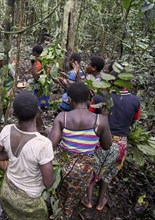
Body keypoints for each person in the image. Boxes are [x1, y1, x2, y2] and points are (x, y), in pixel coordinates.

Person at [48, 82, 112, 218]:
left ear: (70, 100)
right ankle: (67, 212)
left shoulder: (62, 117)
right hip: (84, 170)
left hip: (64, 167)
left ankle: (59, 212)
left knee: (60, 194)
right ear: (89, 98)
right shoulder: (100, 120)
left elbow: (51, 145)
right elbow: (107, 146)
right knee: (73, 197)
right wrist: (104, 117)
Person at [82, 70, 141, 210]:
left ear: (110, 81)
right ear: (128, 82)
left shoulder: (99, 97)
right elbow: (135, 119)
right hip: (120, 143)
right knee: (108, 173)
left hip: (98, 140)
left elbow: (90, 117)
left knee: (92, 169)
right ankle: (100, 201)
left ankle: (89, 200)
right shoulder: (135, 100)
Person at [0, 91, 55, 219]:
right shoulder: (43, 144)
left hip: (7, 189)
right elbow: (48, 183)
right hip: (28, 200)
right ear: (37, 112)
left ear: (14, 114)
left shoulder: (7, 129)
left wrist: (12, 155)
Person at [0, 52, 16, 123]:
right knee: (0, 103)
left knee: (6, 104)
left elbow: (16, 78)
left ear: (2, 61)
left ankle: (7, 117)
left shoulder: (9, 68)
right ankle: (2, 117)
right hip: (2, 88)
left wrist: (11, 90)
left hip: (8, 88)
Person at [30, 44, 51, 109]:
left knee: (37, 103)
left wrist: (32, 63)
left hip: (40, 85)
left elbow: (36, 76)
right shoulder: (46, 60)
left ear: (35, 52)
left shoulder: (38, 62)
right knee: (44, 102)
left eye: (32, 52)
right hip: (47, 83)